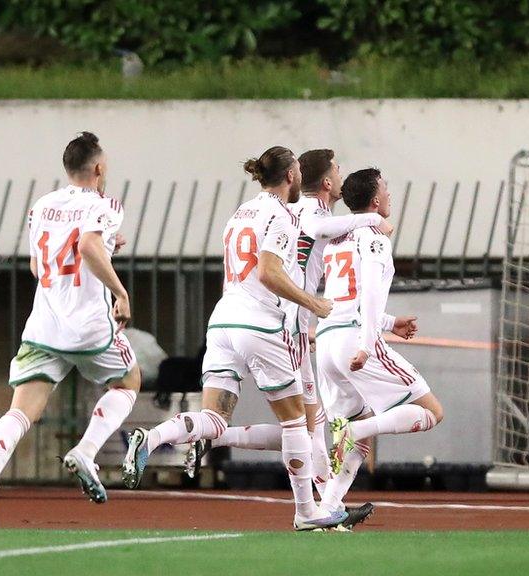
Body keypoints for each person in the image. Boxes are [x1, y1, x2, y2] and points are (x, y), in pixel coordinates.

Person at [123, 146, 348, 531]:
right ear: (292, 175)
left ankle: (151, 437)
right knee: (298, 425)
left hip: (222, 321)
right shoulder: (279, 215)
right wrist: (314, 302)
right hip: (259, 323)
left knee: (214, 418)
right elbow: (268, 273)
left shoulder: (239, 213)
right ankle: (307, 512)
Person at [185, 150, 393, 527]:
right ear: (326, 182)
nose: (342, 176)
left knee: (307, 424)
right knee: (304, 423)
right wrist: (370, 219)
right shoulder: (311, 209)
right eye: (338, 170)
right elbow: (314, 236)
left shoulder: (301, 211)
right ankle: (321, 508)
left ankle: (218, 439)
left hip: (292, 321)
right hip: (289, 325)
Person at [0, 132, 141, 535]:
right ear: (98, 168)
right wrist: (120, 291)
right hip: (88, 326)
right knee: (129, 380)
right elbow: (88, 247)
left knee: (21, 411)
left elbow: (37, 265)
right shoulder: (105, 204)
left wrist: (105, 245)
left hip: (45, 325)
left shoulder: (42, 205)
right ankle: (85, 451)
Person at [315, 168, 444, 516]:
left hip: (327, 341)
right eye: (386, 190)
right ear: (375, 200)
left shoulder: (337, 240)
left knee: (358, 443)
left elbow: (347, 298)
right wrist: (370, 342)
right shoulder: (374, 237)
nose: (390, 196)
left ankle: (328, 508)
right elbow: (369, 293)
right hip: (354, 340)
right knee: (432, 411)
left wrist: (390, 323)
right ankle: (356, 429)